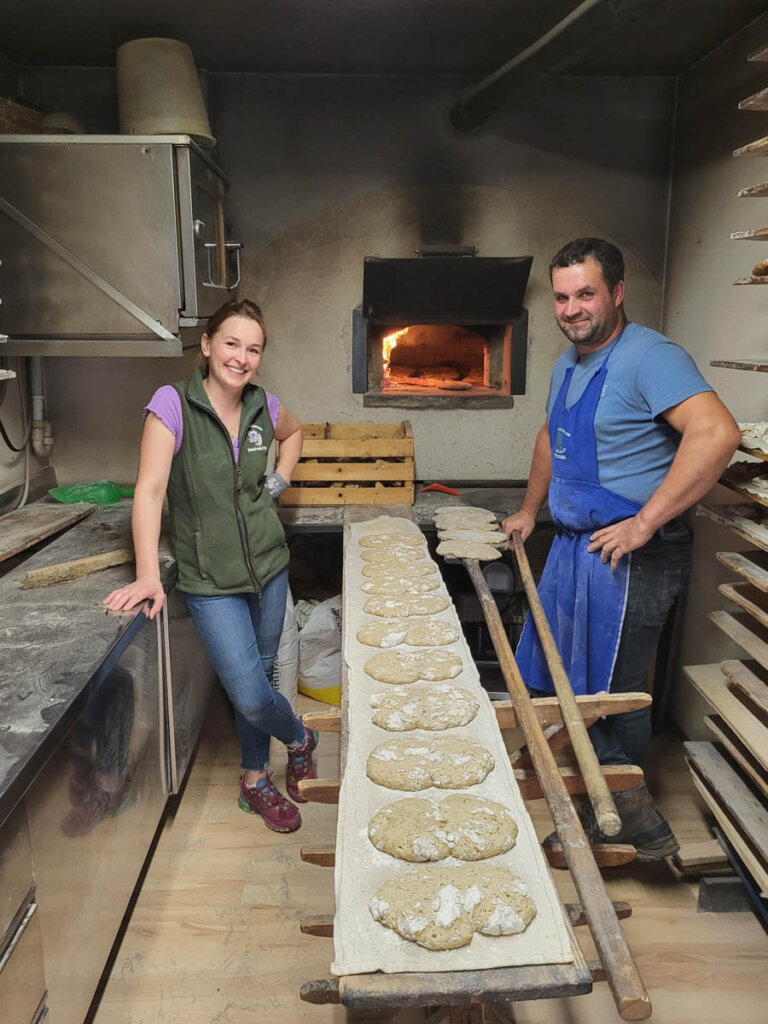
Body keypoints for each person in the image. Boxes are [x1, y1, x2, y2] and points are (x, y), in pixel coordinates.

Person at [502, 238, 740, 860]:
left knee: (616, 687)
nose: (573, 308)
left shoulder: (651, 357)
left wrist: (644, 523)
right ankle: (598, 796)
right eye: (562, 296)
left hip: (631, 555)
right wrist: (531, 511)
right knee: (572, 677)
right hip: (577, 549)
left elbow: (718, 434)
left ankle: (626, 816)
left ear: (617, 293)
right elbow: (551, 437)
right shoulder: (568, 361)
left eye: (586, 293)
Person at [104, 299, 316, 834]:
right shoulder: (172, 404)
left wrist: (279, 481)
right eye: (231, 343)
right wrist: (149, 575)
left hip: (269, 568)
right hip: (210, 582)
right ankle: (300, 738)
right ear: (205, 344)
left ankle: (253, 777)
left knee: (262, 676)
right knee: (248, 691)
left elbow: (295, 434)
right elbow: (150, 491)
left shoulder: (263, 407)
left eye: (253, 348)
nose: (241, 358)